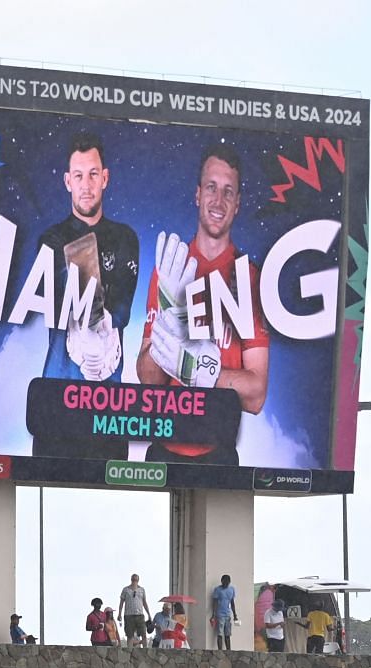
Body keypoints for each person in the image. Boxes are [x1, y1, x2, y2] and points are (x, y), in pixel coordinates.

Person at [136, 144, 270, 465]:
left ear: (237, 204)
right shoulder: (170, 269)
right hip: (163, 450)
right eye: (211, 187)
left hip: (220, 453)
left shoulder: (250, 280)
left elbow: (256, 396)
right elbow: (147, 378)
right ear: (198, 195)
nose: (218, 200)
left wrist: (204, 372)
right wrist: (168, 335)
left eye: (228, 192)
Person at [34, 130, 141, 459]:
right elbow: (55, 303)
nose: (86, 184)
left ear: (105, 178)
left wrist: (103, 322)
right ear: (68, 181)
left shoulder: (124, 238)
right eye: (78, 175)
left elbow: (122, 305)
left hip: (108, 406)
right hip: (59, 397)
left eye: (93, 174)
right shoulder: (52, 239)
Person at [119, 573, 151, 646]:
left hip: (139, 615)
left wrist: (149, 614)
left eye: (136, 580)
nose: (134, 581)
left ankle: (145, 650)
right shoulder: (126, 590)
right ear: (131, 580)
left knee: (143, 634)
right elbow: (121, 602)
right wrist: (119, 614)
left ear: (138, 580)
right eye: (133, 579)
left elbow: (144, 602)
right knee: (130, 635)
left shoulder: (142, 590)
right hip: (129, 615)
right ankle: (129, 651)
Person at [210, 574, 238, 651]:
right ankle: (220, 650)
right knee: (220, 633)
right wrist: (213, 614)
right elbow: (215, 602)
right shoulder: (218, 590)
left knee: (227, 634)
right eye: (224, 582)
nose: (226, 584)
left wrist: (235, 614)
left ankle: (228, 650)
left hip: (228, 614)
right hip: (220, 614)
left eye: (227, 583)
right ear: (221, 581)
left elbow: (232, 602)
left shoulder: (232, 589)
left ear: (229, 582)